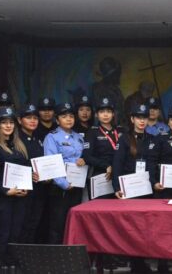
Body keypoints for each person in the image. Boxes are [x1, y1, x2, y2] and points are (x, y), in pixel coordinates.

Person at [112, 103, 158, 274]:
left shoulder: (152, 139)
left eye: (144, 118)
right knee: (132, 226)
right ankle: (135, 261)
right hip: (129, 188)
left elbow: (153, 164)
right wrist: (117, 187)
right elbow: (117, 164)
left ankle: (142, 260)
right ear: (132, 119)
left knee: (146, 226)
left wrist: (154, 183)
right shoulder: (124, 139)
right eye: (138, 118)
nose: (141, 121)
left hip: (147, 188)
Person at [0, 107, 30, 261]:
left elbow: (26, 168)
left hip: (19, 197)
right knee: (2, 235)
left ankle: (13, 266)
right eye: (4, 122)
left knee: (16, 234)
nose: (8, 125)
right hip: (1, 199)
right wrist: (5, 190)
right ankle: (1, 268)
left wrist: (26, 187)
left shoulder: (18, 144)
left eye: (11, 122)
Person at [43, 102, 86, 245]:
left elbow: (83, 158)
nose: (68, 119)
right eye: (64, 116)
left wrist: (83, 160)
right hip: (60, 188)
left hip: (77, 185)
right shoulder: (52, 137)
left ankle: (71, 253)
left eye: (71, 116)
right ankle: (56, 256)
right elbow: (51, 164)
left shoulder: (78, 137)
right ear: (57, 120)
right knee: (58, 225)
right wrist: (64, 184)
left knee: (74, 224)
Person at [17, 104, 47, 244]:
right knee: (22, 224)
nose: (33, 121)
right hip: (22, 189)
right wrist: (29, 173)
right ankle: (19, 253)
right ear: (19, 120)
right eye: (28, 118)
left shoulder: (37, 139)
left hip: (39, 188)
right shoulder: (15, 140)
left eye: (35, 118)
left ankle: (29, 253)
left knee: (34, 223)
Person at [82, 97, 123, 192]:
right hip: (102, 174)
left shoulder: (121, 130)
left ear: (113, 114)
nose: (105, 115)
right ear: (96, 115)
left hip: (120, 173)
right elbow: (87, 156)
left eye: (108, 111)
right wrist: (106, 166)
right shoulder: (92, 132)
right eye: (102, 112)